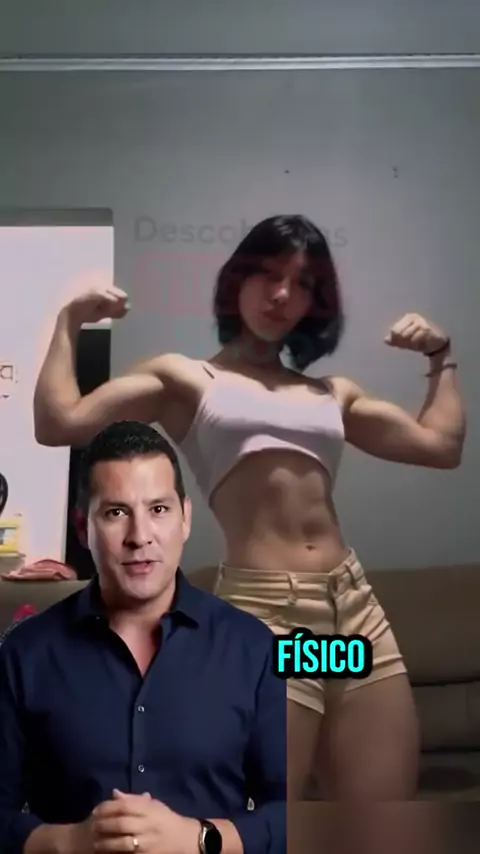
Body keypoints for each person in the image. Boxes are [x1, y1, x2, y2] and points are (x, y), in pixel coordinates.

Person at [33, 214, 466, 800]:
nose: (282, 294)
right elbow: (59, 422)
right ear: (238, 279)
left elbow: (440, 447)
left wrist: (441, 354)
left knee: (381, 816)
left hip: (352, 608)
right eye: (268, 274)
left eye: (302, 283)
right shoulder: (187, 379)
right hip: (269, 614)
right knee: (267, 814)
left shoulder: (330, 393)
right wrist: (68, 322)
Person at [0, 421, 286, 854]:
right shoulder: (25, 654)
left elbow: (290, 811)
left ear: (185, 518)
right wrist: (68, 842)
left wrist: (199, 838)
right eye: (116, 513)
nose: (139, 537)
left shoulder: (254, 648)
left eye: (158, 509)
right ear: (82, 527)